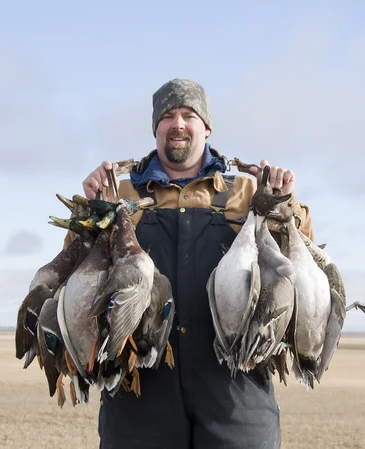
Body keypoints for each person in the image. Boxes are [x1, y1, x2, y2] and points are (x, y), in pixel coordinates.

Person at [79, 78, 315, 449]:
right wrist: (92, 211)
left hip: (234, 388)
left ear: (206, 127)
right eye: (168, 116)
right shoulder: (120, 193)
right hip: (140, 391)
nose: (178, 124)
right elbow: (81, 270)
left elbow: (301, 262)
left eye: (189, 115)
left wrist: (287, 204)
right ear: (155, 128)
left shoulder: (248, 191)